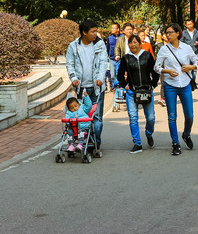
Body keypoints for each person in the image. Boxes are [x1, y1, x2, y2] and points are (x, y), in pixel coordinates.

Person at [155, 23, 198, 155]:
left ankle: (186, 134)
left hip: (185, 84)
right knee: (172, 116)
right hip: (170, 85)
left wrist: (190, 67)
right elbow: (156, 67)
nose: (168, 35)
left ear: (178, 33)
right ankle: (175, 143)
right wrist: (167, 71)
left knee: (189, 115)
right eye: (166, 33)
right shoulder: (164, 50)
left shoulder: (186, 48)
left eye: (170, 32)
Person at [65, 19, 109, 152]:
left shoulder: (100, 44)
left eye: (96, 31)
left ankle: (95, 144)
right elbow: (70, 64)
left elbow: (103, 63)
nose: (95, 34)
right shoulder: (74, 46)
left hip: (97, 88)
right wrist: (73, 78)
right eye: (93, 31)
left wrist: (101, 78)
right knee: (81, 117)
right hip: (81, 89)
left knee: (97, 117)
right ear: (84, 32)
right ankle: (83, 142)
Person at [117, 34, 160, 153]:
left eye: (135, 42)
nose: (133, 44)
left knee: (150, 117)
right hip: (132, 92)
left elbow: (155, 71)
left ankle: (149, 133)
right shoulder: (126, 58)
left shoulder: (147, 56)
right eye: (130, 43)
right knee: (133, 117)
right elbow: (120, 74)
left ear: (140, 43)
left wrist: (153, 84)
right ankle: (137, 143)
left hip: (146, 90)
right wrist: (125, 85)